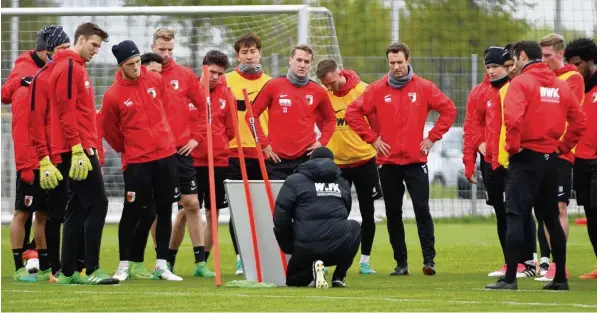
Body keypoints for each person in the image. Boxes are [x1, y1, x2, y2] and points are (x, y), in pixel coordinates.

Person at [346, 42, 456, 276]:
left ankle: (429, 261)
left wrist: (432, 137)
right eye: (392, 63)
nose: (396, 67)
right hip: (388, 164)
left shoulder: (424, 87)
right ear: (388, 63)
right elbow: (352, 112)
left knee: (421, 209)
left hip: (417, 162)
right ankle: (401, 264)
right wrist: (372, 139)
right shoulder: (377, 89)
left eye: (399, 62)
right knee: (393, 212)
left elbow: (449, 110)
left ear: (408, 61)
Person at [485, 40, 585, 291]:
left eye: (514, 59)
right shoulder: (560, 86)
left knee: (516, 216)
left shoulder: (521, 83)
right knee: (551, 218)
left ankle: (510, 280)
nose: (513, 64)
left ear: (522, 56)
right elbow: (578, 121)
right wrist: (563, 147)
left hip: (526, 157)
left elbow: (513, 118)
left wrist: (512, 147)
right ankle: (560, 278)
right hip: (551, 158)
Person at [102, 40, 182, 281]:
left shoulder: (156, 80)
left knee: (165, 209)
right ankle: (124, 265)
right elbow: (110, 130)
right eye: (130, 64)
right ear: (121, 65)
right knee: (133, 211)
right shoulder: (112, 95)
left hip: (166, 156)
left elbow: (165, 111)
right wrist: (130, 149)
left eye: (138, 62)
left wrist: (165, 139)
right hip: (137, 162)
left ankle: (162, 265)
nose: (137, 67)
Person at [45, 22, 117, 285]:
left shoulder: (77, 68)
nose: (96, 51)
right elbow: (65, 112)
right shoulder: (68, 68)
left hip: (79, 146)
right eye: (94, 45)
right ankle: (92, 269)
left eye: (99, 46)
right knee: (99, 203)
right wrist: (77, 148)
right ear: (82, 39)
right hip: (75, 148)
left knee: (76, 207)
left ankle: (67, 272)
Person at [1, 25, 69, 282]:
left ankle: (41, 263)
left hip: (49, 155)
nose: (63, 53)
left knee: (44, 213)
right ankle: (19, 264)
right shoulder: (23, 68)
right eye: (59, 49)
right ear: (45, 50)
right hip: (29, 156)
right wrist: (21, 81)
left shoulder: (56, 72)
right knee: (23, 212)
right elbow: (4, 94)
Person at [150, 28, 208, 274]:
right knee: (156, 208)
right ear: (153, 47)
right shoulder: (142, 74)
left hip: (182, 152)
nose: (166, 54)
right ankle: (162, 261)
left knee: (192, 203)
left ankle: (200, 263)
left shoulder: (184, 75)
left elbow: (203, 106)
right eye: (162, 49)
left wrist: (197, 138)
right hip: (154, 153)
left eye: (170, 50)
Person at [315, 59, 381, 275]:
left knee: (367, 212)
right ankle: (325, 261)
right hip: (337, 165)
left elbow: (376, 122)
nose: (329, 87)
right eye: (325, 84)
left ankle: (365, 261)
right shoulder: (324, 95)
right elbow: (322, 122)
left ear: (339, 73)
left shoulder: (364, 90)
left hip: (365, 161)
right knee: (333, 214)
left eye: (332, 82)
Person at [273, 147, 361, 288]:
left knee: (293, 281)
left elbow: (280, 218)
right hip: (337, 248)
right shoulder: (342, 182)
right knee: (355, 226)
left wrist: (289, 247)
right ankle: (339, 276)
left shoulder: (294, 181)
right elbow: (346, 211)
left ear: (310, 161)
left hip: (305, 247)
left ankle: (313, 271)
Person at [246, 44, 336, 180]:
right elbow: (251, 116)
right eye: (299, 60)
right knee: (278, 201)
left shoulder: (318, 91)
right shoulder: (274, 85)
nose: (302, 65)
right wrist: (263, 144)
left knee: (303, 200)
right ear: (290, 60)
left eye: (306, 62)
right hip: (276, 158)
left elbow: (330, 119)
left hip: (305, 159)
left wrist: (322, 142)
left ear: (311, 64)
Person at [537, 33, 584, 280]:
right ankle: (547, 262)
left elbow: (564, 111)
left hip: (560, 153)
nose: (544, 61)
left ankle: (559, 265)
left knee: (559, 207)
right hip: (539, 151)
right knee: (545, 210)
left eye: (547, 56)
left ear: (560, 54)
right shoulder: (544, 77)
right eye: (541, 56)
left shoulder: (572, 78)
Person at [463, 46, 513, 277]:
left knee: (519, 210)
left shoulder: (515, 88)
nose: (491, 71)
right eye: (488, 67)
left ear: (507, 66)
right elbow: (471, 126)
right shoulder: (479, 92)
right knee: (501, 212)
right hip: (490, 162)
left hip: (513, 161)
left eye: (496, 66)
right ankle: (509, 261)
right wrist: (473, 153)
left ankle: (531, 261)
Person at [225, 32, 272, 275]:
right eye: (244, 52)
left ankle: (265, 254)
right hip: (235, 153)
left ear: (260, 53)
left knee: (266, 208)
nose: (249, 56)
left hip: (264, 154)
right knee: (239, 209)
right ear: (237, 55)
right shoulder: (226, 81)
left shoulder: (271, 82)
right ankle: (241, 256)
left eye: (253, 51)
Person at [188, 50, 234, 275]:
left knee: (212, 212)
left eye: (220, 73)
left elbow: (231, 130)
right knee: (187, 208)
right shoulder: (191, 91)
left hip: (219, 161)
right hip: (193, 161)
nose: (215, 77)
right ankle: (168, 258)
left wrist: (218, 145)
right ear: (203, 68)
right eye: (212, 72)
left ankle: (203, 262)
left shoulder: (227, 94)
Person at [564, 37, 597, 279]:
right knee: (591, 213)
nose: (573, 69)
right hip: (580, 160)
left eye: (577, 64)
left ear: (591, 61)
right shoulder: (574, 88)